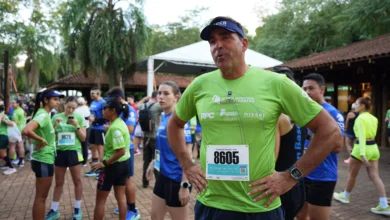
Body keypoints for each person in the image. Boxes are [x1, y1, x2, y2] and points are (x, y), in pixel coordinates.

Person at [167, 16, 343, 220]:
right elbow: (175, 124)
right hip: (210, 204)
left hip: (259, 207)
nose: (218, 45)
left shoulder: (276, 83)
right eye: (212, 41)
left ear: (244, 44)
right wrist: (187, 164)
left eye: (225, 37)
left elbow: (329, 131)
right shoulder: (199, 85)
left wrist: (291, 176)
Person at [297, 73, 344, 220]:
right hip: (303, 173)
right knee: (300, 215)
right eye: (304, 89)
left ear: (322, 90)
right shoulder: (302, 112)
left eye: (311, 88)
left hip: (322, 177)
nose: (307, 92)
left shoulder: (332, 113)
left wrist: (311, 136)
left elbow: (338, 146)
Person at [333, 96, 390, 215]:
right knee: (375, 176)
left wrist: (363, 154)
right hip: (374, 148)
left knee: (351, 174)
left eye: (356, 104)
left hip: (361, 148)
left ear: (363, 106)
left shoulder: (360, 118)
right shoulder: (374, 118)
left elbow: (362, 136)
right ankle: (384, 204)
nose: (354, 105)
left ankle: (345, 196)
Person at [146, 81, 191, 220]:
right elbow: (164, 146)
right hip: (163, 176)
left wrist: (185, 185)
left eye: (166, 93)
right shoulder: (163, 117)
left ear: (176, 97)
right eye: (159, 93)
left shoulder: (180, 120)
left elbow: (188, 153)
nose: (161, 97)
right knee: (155, 216)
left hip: (176, 179)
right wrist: (153, 161)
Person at [22, 89, 63, 219]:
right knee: (41, 197)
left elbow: (45, 134)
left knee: (41, 197)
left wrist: (54, 126)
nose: (58, 102)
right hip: (43, 160)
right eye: (55, 99)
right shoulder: (43, 115)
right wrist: (41, 140)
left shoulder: (45, 115)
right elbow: (26, 130)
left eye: (58, 99)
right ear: (46, 100)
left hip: (44, 158)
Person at [273, 66, 307, 220]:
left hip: (281, 184)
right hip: (298, 184)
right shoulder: (302, 115)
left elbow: (271, 159)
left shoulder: (278, 118)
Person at [45, 96, 87, 220]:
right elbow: (49, 137)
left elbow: (83, 138)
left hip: (74, 152)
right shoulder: (55, 117)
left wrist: (77, 126)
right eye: (68, 107)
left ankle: (77, 208)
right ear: (64, 105)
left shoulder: (78, 117)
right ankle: (54, 209)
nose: (70, 110)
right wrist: (54, 126)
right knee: (58, 182)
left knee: (77, 181)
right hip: (60, 152)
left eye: (73, 108)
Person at [91, 97, 130, 220]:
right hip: (123, 165)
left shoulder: (115, 128)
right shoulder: (119, 123)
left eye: (104, 109)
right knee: (121, 198)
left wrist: (103, 163)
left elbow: (121, 151)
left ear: (112, 110)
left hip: (113, 166)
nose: (102, 111)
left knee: (100, 201)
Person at [106, 87, 141, 220]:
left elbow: (130, 129)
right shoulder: (120, 109)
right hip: (119, 148)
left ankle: (133, 209)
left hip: (126, 149)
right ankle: (126, 205)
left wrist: (111, 128)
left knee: (127, 179)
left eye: (112, 100)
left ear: (119, 98)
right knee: (123, 179)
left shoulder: (129, 110)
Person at [137, 91, 162, 188]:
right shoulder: (157, 106)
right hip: (155, 137)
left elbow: (137, 105)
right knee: (156, 160)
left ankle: (145, 182)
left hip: (145, 137)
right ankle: (158, 183)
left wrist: (144, 99)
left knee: (146, 161)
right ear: (157, 97)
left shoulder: (143, 106)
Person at [86, 87, 107, 177]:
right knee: (92, 147)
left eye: (93, 93)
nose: (91, 95)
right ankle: (94, 168)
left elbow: (105, 116)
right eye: (91, 93)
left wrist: (95, 121)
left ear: (98, 93)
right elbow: (91, 114)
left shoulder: (103, 103)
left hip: (100, 128)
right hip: (93, 127)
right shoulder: (93, 102)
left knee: (100, 148)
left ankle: (101, 169)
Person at [0, 101, 18, 175]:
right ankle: (8, 165)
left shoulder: (2, 115)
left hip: (3, 135)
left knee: (2, 153)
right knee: (2, 153)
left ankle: (11, 167)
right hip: (2, 135)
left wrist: (4, 120)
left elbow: (13, 123)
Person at [74, 97, 91, 167]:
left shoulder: (76, 110)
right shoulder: (87, 109)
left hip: (79, 128)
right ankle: (84, 162)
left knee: (78, 145)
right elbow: (90, 118)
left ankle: (79, 160)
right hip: (86, 127)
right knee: (85, 145)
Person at [10, 99, 27, 167]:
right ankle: (21, 160)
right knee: (21, 145)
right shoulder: (22, 111)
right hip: (22, 130)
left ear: (18, 104)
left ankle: (12, 160)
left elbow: (15, 123)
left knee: (13, 146)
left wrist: (7, 122)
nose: (12, 104)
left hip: (17, 131)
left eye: (13, 103)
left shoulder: (16, 112)